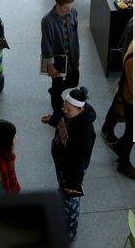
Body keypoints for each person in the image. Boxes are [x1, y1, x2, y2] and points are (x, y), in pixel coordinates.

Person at [41, 86, 96, 243]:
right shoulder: (71, 114)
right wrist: (52, 120)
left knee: (71, 200)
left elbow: (81, 160)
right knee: (64, 191)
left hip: (73, 172)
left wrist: (75, 183)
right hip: (63, 163)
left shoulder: (85, 132)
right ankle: (63, 197)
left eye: (69, 110)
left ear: (80, 109)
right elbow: (62, 119)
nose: (65, 111)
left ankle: (69, 233)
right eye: (65, 107)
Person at [101, 41, 135, 181]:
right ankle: (123, 163)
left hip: (133, 96)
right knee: (133, 133)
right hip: (133, 100)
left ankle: (109, 132)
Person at [41, 0, 80, 113]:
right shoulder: (47, 21)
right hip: (57, 60)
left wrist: (77, 55)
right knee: (57, 85)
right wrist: (50, 66)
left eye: (70, 7)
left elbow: (75, 34)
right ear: (58, 4)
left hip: (72, 55)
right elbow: (46, 44)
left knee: (74, 81)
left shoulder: (73, 12)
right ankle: (56, 109)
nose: (69, 10)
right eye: (65, 8)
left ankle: (54, 90)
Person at [0, 119, 21, 193]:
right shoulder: (4, 161)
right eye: (13, 136)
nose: (15, 138)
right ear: (7, 142)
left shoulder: (0, 156)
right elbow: (8, 186)